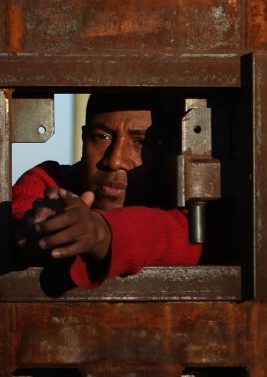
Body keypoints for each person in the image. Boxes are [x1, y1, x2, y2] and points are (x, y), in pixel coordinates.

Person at [12, 94, 203, 289]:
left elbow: (189, 238)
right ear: (84, 138)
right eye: (101, 137)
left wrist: (99, 233)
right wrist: (45, 229)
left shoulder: (197, 208)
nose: (114, 160)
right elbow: (21, 220)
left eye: (142, 142)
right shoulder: (51, 182)